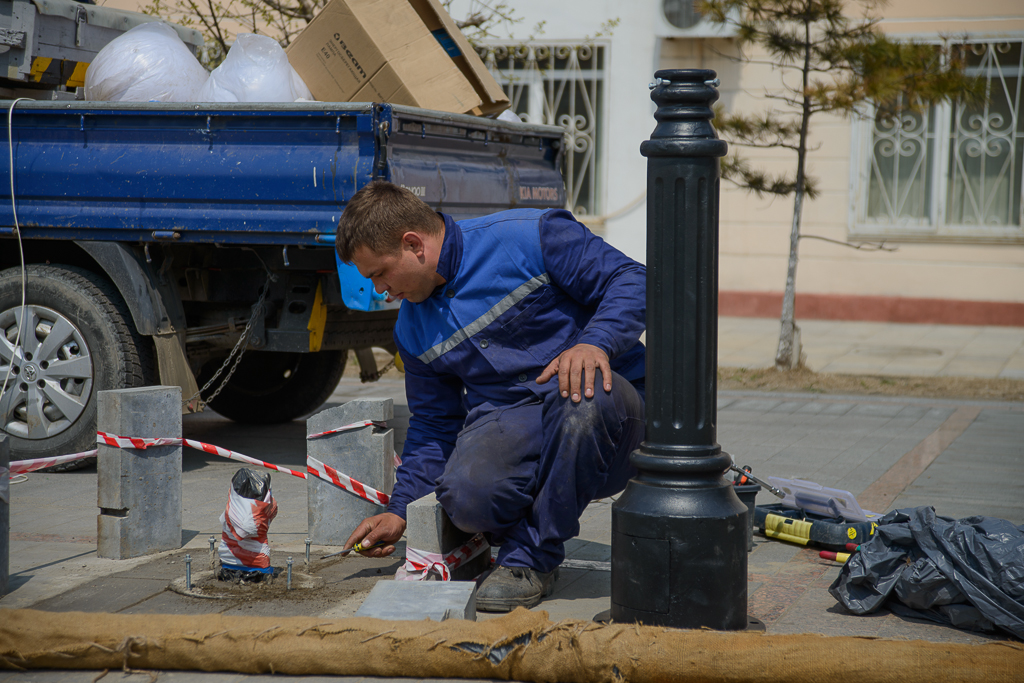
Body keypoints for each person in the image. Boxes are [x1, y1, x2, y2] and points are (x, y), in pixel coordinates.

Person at [336, 181, 646, 612]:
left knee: (580, 397)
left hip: (610, 417)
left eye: (380, 274)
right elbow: (432, 426)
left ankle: (531, 558)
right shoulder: (411, 329)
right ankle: (529, 523)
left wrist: (595, 342)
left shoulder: (530, 237)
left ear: (413, 244)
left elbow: (631, 278)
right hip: (520, 420)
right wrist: (400, 510)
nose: (380, 291)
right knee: (465, 497)